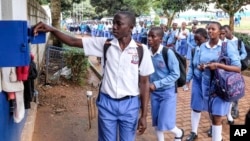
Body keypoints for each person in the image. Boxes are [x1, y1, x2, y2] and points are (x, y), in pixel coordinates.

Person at [33, 11, 155, 141]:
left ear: (131, 27)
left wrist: (144, 115)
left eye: (119, 24)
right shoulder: (105, 44)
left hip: (130, 105)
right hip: (107, 104)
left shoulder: (141, 50)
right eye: (113, 23)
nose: (114, 27)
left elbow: (144, 83)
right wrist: (52, 29)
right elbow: (73, 41)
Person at [196, 22, 241, 141]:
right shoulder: (203, 46)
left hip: (221, 86)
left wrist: (217, 66)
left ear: (220, 31)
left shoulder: (227, 46)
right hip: (206, 84)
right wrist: (202, 66)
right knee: (211, 113)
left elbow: (237, 68)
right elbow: (200, 63)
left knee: (217, 117)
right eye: (208, 29)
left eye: (213, 29)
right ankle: (218, 137)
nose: (210, 31)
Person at [148, 27, 184, 141]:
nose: (149, 38)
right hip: (154, 93)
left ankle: (178, 133)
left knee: (165, 121)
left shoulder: (167, 53)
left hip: (167, 92)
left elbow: (175, 74)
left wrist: (156, 84)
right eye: (149, 36)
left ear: (161, 39)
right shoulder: (147, 53)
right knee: (157, 121)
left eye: (153, 36)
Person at [184, 28, 209, 141]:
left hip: (209, 82)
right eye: (195, 40)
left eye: (199, 40)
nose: (197, 42)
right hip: (197, 82)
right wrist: (188, 80)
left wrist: (207, 67)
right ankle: (194, 132)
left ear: (206, 38)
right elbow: (191, 67)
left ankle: (214, 127)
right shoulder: (195, 50)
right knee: (195, 106)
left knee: (211, 107)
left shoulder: (211, 50)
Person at [223, 25, 247, 121]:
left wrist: (238, 58)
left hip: (236, 68)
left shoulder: (238, 41)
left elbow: (244, 53)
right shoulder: (223, 42)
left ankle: (235, 109)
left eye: (226, 32)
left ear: (231, 31)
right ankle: (226, 110)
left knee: (235, 89)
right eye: (223, 32)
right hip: (226, 68)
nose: (224, 34)